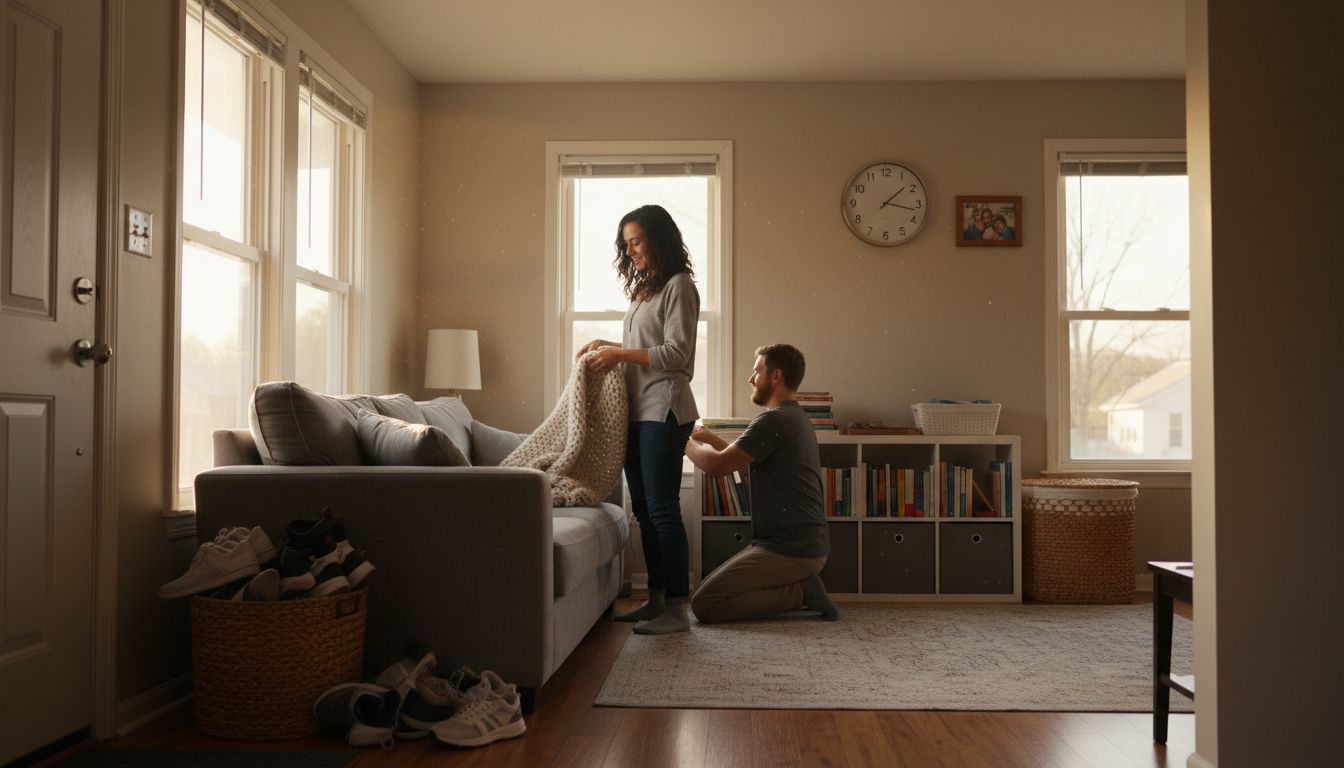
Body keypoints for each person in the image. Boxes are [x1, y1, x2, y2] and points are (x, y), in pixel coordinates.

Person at [577, 204, 700, 635]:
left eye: (637, 241)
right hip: (639, 413)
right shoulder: (645, 290)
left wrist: (619, 352)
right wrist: (607, 343)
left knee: (663, 508)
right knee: (645, 510)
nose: (630, 251)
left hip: (664, 410)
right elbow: (644, 346)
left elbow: (676, 354)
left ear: (659, 239)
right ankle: (657, 600)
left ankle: (678, 610)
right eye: (625, 243)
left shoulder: (680, 286)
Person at [684, 344, 839, 623]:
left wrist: (682, 439)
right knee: (711, 592)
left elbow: (717, 466)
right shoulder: (795, 417)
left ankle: (800, 592)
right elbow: (747, 463)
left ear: (775, 376)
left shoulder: (773, 420)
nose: (751, 379)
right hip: (800, 545)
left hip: (791, 549)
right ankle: (800, 587)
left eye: (757, 371)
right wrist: (709, 438)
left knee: (705, 605)